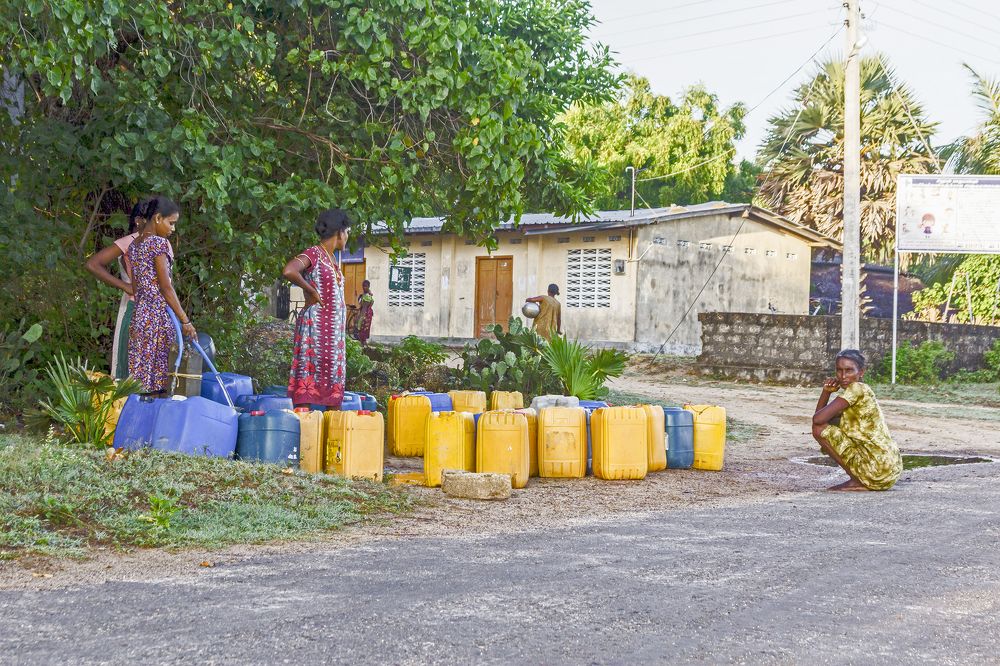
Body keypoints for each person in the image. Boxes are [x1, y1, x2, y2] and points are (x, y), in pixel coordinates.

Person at [85, 198, 172, 379]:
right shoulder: (131, 241)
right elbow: (93, 264)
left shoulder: (162, 243)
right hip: (136, 310)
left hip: (158, 312)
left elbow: (166, 284)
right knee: (131, 369)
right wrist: (125, 286)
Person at [282, 208, 352, 408]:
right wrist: (310, 290)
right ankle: (306, 432)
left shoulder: (332, 260)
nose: (347, 237)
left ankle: (329, 436)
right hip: (315, 331)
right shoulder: (315, 253)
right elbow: (289, 270)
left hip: (333, 337)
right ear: (339, 232)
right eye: (347, 232)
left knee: (332, 389)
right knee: (308, 386)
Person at [126, 196, 195, 395]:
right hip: (157, 319)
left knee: (140, 382)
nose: (173, 229)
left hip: (140, 318)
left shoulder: (135, 245)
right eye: (171, 223)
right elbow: (166, 288)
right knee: (159, 383)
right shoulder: (159, 244)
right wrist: (185, 320)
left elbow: (136, 287)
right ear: (157, 218)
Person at [812, 349, 903, 491]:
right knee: (827, 426)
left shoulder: (857, 389)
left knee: (819, 430)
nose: (843, 376)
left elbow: (817, 421)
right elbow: (821, 418)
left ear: (861, 372)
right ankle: (861, 479)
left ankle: (856, 480)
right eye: (839, 370)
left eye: (849, 370)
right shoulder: (859, 393)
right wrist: (826, 391)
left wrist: (825, 393)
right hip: (889, 470)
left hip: (878, 469)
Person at [350, 280, 374, 345]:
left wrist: (360, 317)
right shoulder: (367, 294)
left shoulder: (367, 296)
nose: (364, 287)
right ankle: (364, 343)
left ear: (369, 286)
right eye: (363, 286)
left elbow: (364, 308)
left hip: (365, 314)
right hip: (368, 313)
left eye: (365, 286)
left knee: (362, 328)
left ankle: (363, 344)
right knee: (365, 329)